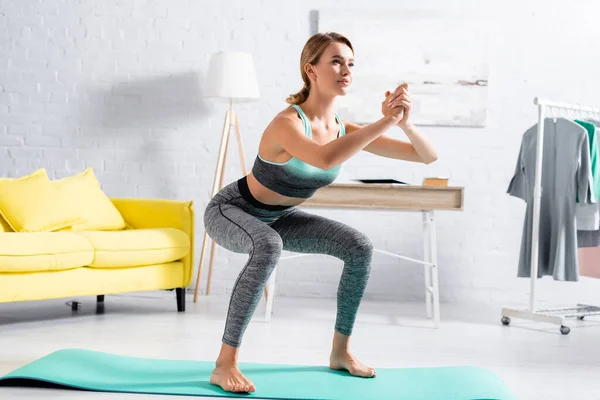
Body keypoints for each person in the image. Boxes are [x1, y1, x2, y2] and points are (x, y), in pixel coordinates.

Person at [204, 32, 438, 393]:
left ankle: (340, 353)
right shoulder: (288, 123)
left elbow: (425, 156)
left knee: (358, 247)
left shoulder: (345, 129)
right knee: (268, 246)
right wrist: (385, 123)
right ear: (310, 69)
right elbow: (325, 157)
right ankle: (224, 364)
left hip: (280, 217)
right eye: (336, 61)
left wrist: (404, 122)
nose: (346, 70)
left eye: (351, 63)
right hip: (233, 210)